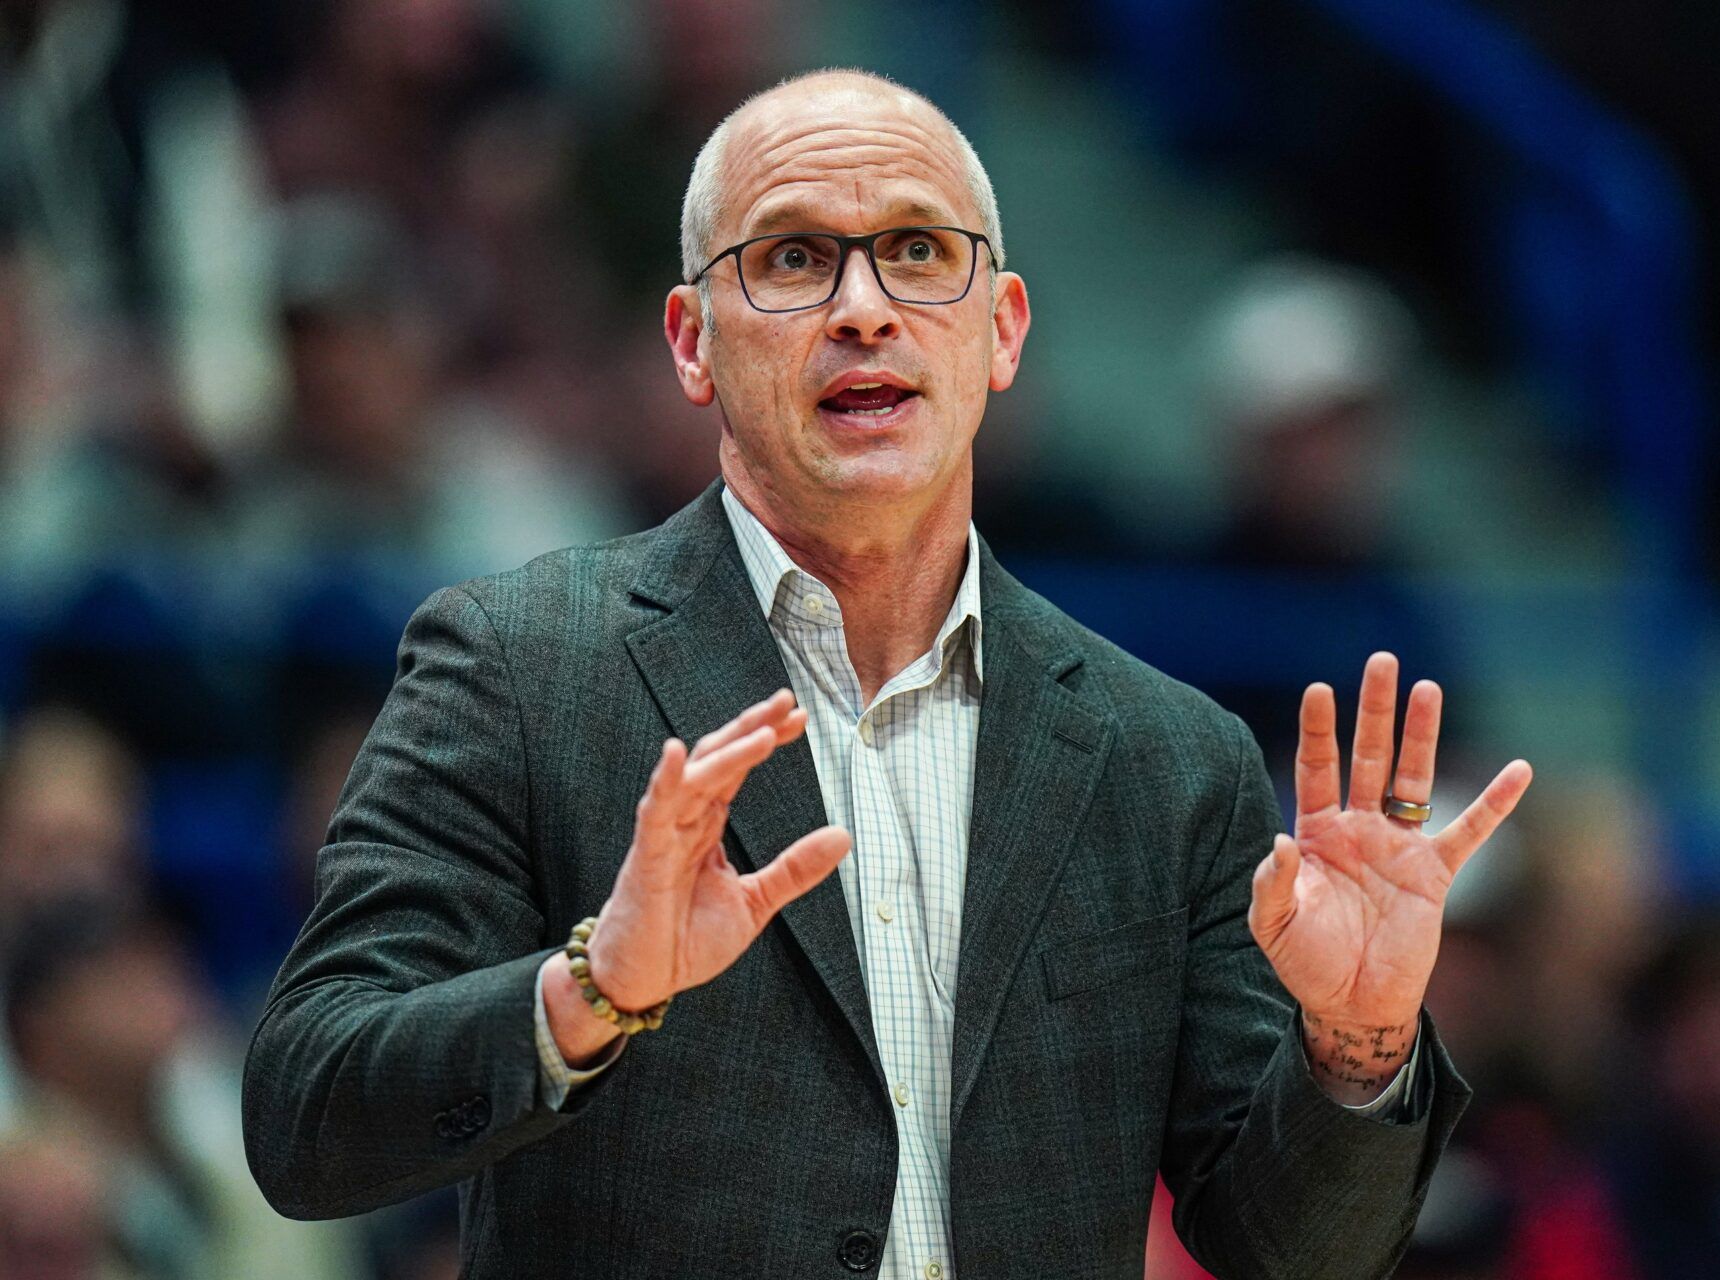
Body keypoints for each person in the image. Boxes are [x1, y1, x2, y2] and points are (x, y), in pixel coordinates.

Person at [243, 67, 1532, 1278]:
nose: (865, 306)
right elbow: (306, 1113)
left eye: (919, 253)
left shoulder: (1165, 757)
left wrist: (1357, 1046)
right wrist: (592, 992)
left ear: (1002, 329)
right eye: (795, 258)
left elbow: (1296, 1250)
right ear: (691, 343)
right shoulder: (521, 667)